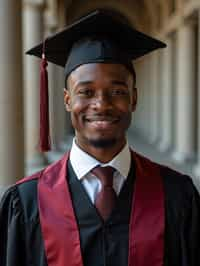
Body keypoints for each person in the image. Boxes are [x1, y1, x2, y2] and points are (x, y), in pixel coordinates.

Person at [0, 9, 200, 266]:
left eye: (117, 91)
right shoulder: (26, 203)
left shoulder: (177, 195)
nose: (101, 104)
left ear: (134, 99)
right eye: (86, 91)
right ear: (67, 100)